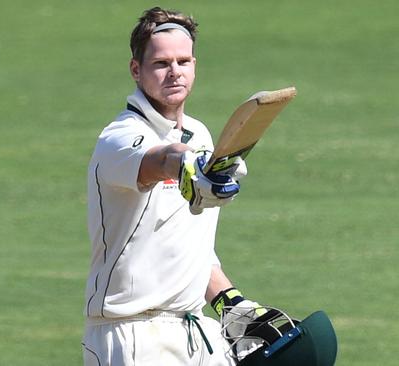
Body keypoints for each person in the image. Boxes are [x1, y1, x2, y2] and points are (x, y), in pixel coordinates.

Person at [83, 7, 264, 366]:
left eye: (184, 61)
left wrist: (232, 303)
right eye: (161, 63)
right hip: (132, 333)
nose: (175, 72)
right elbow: (159, 159)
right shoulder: (120, 138)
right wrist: (186, 164)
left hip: (196, 330)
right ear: (137, 70)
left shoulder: (199, 134)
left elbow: (187, 243)